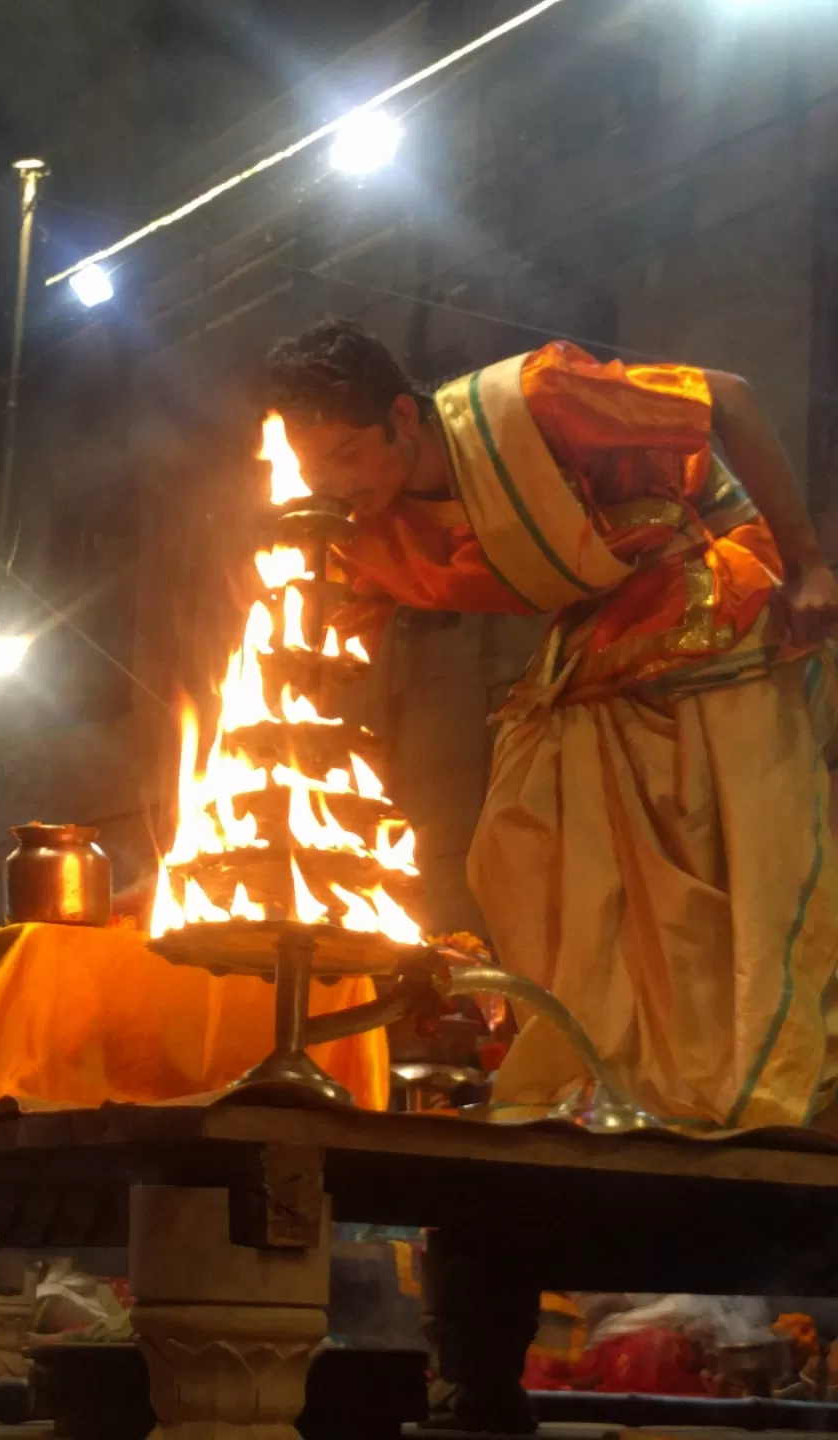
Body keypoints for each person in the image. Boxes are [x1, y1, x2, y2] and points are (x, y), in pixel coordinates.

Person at [267, 319, 838, 1129]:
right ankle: (598, 1074)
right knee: (519, 837)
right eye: (312, 463)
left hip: (712, 604)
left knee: (715, 847)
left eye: (344, 455)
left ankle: (722, 1092)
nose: (331, 481)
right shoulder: (365, 525)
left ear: (401, 416)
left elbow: (732, 400)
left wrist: (810, 563)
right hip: (593, 640)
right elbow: (337, 629)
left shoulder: (534, 401)